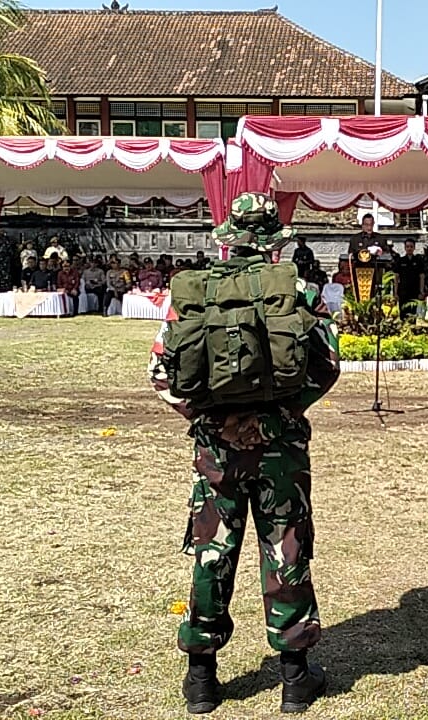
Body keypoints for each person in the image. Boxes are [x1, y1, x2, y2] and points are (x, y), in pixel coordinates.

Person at [148, 192, 339, 715]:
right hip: (280, 450)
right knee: (286, 552)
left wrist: (217, 423)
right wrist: (274, 419)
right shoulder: (298, 291)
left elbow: (161, 373)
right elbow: (327, 366)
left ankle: (201, 680)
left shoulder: (191, 293)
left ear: (228, 241)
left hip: (218, 452)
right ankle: (295, 678)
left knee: (213, 554)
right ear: (275, 243)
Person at [394, 239, 426, 319]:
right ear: (405, 248)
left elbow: (422, 277)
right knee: (403, 313)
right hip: (403, 291)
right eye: (407, 246)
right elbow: (396, 277)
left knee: (413, 313)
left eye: (411, 247)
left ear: (414, 248)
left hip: (414, 291)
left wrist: (421, 291)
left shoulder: (418, 261)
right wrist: (395, 292)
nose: (409, 248)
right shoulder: (400, 261)